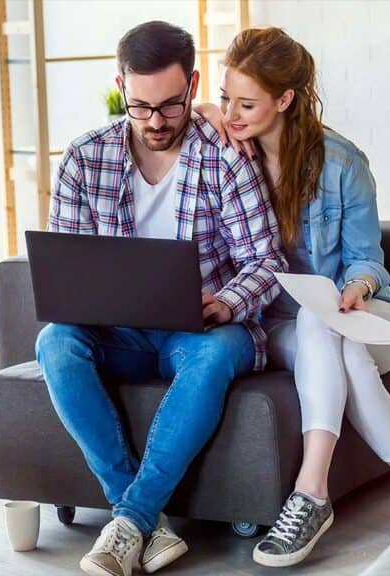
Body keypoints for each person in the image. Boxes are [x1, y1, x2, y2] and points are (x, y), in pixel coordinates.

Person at [35, 21, 286, 576]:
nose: (154, 121)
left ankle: (128, 521)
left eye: (171, 106)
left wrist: (223, 303)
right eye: (139, 105)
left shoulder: (224, 155)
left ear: (193, 85)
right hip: (118, 333)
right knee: (55, 342)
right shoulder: (83, 158)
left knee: (215, 352)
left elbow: (268, 261)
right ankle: (144, 519)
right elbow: (67, 270)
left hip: (201, 332)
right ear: (120, 85)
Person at [195, 27, 390, 568]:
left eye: (246, 103)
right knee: (322, 332)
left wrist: (356, 287)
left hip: (364, 313)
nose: (231, 113)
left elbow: (367, 257)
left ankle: (311, 493)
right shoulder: (228, 155)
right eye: (226, 98)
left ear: (285, 99)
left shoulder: (342, 163)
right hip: (283, 324)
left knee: (334, 331)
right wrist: (208, 111)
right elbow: (178, 121)